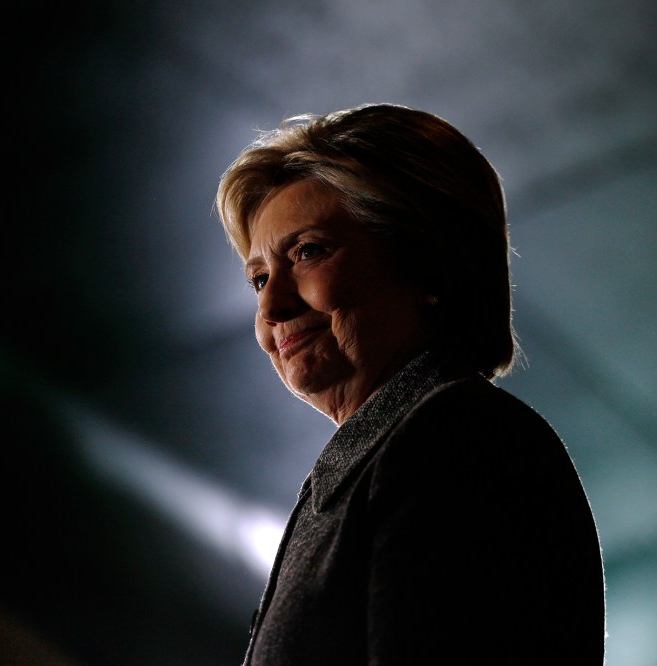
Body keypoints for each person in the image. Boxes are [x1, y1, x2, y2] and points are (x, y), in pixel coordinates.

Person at [215, 102, 606, 665]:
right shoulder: (384, 460)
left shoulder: (460, 439)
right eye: (258, 279)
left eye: (308, 251)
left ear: (427, 262)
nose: (271, 306)